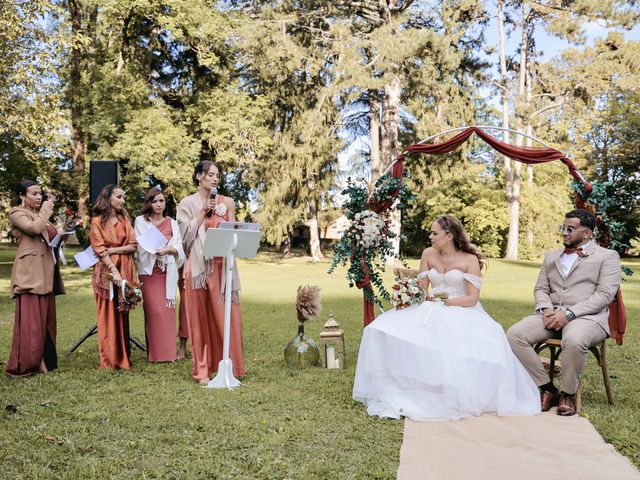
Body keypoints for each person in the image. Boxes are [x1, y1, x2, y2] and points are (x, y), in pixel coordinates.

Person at [353, 215, 541, 421]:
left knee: (453, 337)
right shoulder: (428, 254)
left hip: (461, 308)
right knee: (380, 328)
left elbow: (472, 298)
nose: (430, 237)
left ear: (449, 235)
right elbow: (423, 290)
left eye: (435, 233)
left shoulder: (469, 260)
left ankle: (454, 389)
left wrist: (445, 303)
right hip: (430, 305)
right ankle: (406, 382)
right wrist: (409, 294)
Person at [507, 209, 621, 416]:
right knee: (514, 335)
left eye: (570, 229)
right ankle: (547, 388)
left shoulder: (608, 257)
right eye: (563, 228)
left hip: (588, 317)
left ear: (586, 234)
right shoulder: (551, 256)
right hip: (551, 314)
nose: (564, 233)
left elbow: (604, 295)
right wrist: (547, 309)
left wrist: (568, 314)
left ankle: (568, 393)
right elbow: (541, 288)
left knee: (575, 339)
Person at [177, 161, 244, 384]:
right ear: (199, 176)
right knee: (199, 320)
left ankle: (227, 365)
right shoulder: (186, 203)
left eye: (218, 175)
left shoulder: (228, 202)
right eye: (210, 174)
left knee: (225, 318)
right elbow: (185, 239)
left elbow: (235, 233)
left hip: (222, 267)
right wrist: (202, 212)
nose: (215, 179)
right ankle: (202, 371)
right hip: (197, 267)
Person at [6, 180, 65, 377]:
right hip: (30, 272)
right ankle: (30, 362)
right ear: (22, 196)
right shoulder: (16, 213)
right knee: (32, 320)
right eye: (34, 194)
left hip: (47, 270)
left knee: (47, 319)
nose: (39, 197)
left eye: (40, 193)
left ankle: (46, 361)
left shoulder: (42, 216)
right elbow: (32, 228)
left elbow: (46, 235)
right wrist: (47, 209)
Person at [90, 184, 138, 370]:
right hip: (106, 272)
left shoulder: (124, 219)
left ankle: (123, 356)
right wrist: (113, 269)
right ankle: (109, 359)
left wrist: (115, 250)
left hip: (125, 268)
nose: (122, 200)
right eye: (119, 197)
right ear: (108, 197)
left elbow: (133, 244)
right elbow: (99, 249)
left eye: (123, 197)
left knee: (121, 311)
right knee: (107, 313)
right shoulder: (96, 222)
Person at [135, 187, 186, 363]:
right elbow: (140, 243)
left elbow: (178, 245)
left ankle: (169, 354)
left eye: (161, 201)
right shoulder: (141, 221)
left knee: (168, 310)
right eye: (154, 201)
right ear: (148, 203)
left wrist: (170, 249)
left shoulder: (172, 222)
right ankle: (156, 355)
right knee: (154, 311)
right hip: (149, 271)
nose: (158, 204)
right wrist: (155, 250)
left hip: (167, 272)